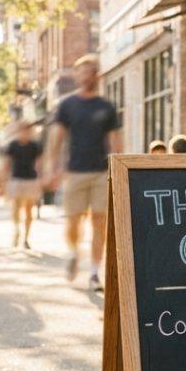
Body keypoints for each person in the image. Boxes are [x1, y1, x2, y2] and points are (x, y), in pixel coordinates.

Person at [47, 55, 122, 292]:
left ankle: (94, 272)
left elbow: (116, 142)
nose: (85, 76)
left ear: (96, 75)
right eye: (81, 72)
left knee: (100, 223)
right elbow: (57, 138)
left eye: (89, 71)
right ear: (76, 76)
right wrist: (52, 168)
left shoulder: (106, 107)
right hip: (74, 172)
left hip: (101, 173)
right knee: (72, 221)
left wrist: (120, 171)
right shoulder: (67, 105)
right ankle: (72, 251)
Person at [4, 121, 43, 249]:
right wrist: (5, 179)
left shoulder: (35, 146)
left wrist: (40, 179)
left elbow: (39, 163)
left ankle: (26, 238)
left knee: (29, 210)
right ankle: (17, 230)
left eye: (27, 129)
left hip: (31, 180)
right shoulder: (13, 145)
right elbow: (7, 162)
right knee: (16, 208)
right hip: (16, 179)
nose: (25, 132)